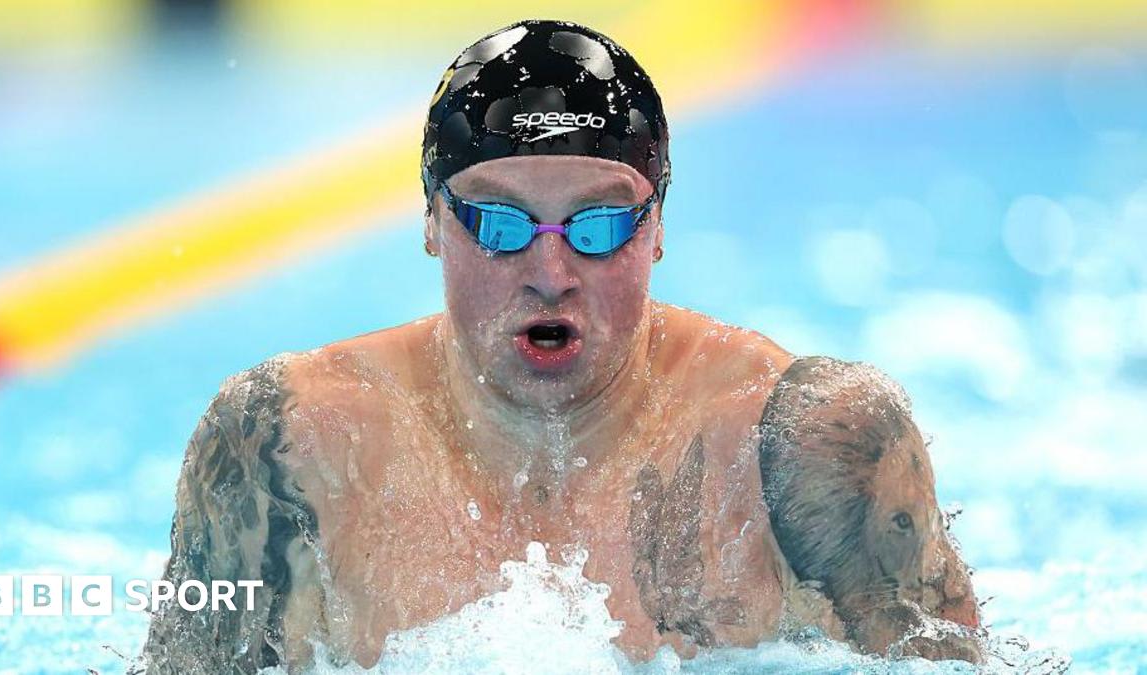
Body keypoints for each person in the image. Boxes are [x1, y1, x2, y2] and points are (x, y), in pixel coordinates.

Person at [138, 19, 982, 673]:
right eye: (499, 223)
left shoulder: (802, 446)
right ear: (432, 222)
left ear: (657, 227)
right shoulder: (290, 444)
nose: (550, 270)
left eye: (601, 223)